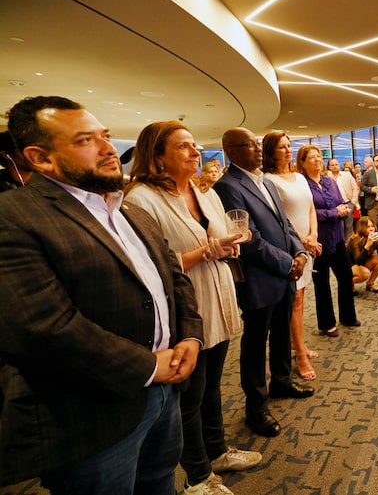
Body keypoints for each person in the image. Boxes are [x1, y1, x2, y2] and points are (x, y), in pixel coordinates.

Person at [0, 96, 203, 493]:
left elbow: (173, 279)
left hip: (166, 396)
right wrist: (147, 366)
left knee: (160, 484)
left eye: (105, 136)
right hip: (92, 416)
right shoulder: (16, 216)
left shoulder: (130, 211)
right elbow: (43, 328)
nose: (109, 149)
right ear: (41, 158)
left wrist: (190, 336)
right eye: (85, 141)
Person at [125, 121, 260, 494]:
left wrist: (230, 244)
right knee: (188, 398)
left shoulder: (206, 193)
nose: (195, 152)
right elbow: (148, 267)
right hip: (185, 309)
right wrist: (206, 251)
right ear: (157, 156)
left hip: (218, 300)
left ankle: (216, 451)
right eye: (183, 147)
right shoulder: (140, 199)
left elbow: (216, 238)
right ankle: (199, 477)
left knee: (212, 387)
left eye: (194, 146)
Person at [212, 128, 314, 440]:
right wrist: (287, 263)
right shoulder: (227, 186)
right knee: (255, 343)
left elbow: (284, 224)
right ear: (230, 150)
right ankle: (256, 406)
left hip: (285, 271)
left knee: (282, 330)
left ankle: (281, 381)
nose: (257, 150)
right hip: (259, 276)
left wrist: (298, 250)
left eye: (257, 144)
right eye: (248, 145)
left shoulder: (266, 181)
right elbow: (249, 239)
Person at [262, 132, 322, 381]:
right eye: (281, 147)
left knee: (301, 296)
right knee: (294, 298)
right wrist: (303, 241)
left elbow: (310, 208)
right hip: (289, 246)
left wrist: (314, 235)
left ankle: (298, 343)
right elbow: (279, 218)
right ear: (270, 152)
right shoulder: (268, 180)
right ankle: (300, 355)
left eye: (289, 146)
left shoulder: (299, 176)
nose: (287, 151)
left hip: (309, 243)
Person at [297, 145, 361, 337]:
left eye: (319, 156)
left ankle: (348, 316)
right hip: (318, 240)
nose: (318, 160)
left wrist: (343, 209)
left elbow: (341, 201)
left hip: (337, 237)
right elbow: (307, 213)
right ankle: (327, 324)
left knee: (345, 276)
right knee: (322, 283)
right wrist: (333, 212)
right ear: (302, 162)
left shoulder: (329, 181)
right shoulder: (302, 184)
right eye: (312, 157)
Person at [347, 217, 378, 293]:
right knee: (365, 273)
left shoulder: (373, 237)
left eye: (372, 226)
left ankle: (370, 284)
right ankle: (347, 284)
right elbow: (358, 261)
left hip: (362, 264)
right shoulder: (355, 239)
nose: (371, 229)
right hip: (350, 266)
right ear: (362, 228)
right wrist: (368, 245)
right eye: (368, 227)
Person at [328, 157, 360, 239]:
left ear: (339, 165)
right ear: (329, 167)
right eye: (332, 165)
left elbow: (355, 188)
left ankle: (349, 245)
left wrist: (353, 202)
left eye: (336, 164)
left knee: (349, 226)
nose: (334, 166)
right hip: (335, 206)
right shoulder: (326, 177)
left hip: (348, 203)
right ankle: (341, 245)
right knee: (339, 227)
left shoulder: (347, 175)